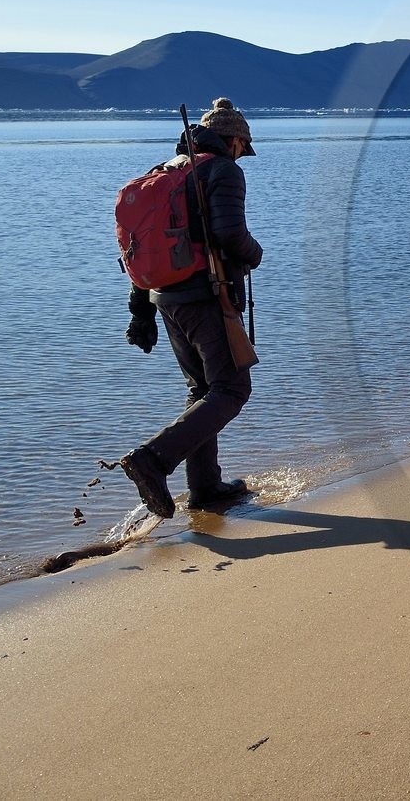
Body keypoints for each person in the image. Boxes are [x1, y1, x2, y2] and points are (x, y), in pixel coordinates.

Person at [120, 97, 264, 518]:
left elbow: (138, 249)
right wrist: (255, 254)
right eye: (243, 147)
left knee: (203, 390)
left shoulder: (168, 170)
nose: (242, 155)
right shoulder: (223, 171)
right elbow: (229, 232)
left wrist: (140, 310)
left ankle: (205, 488)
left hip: (165, 298)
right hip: (205, 295)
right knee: (232, 389)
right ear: (234, 140)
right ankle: (153, 459)